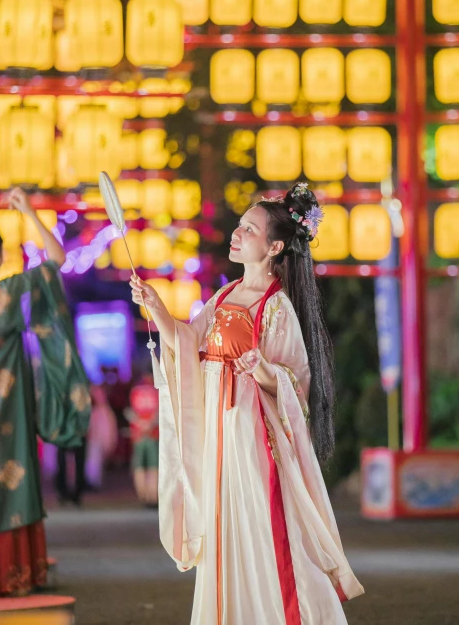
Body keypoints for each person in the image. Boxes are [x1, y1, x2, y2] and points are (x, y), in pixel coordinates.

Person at [130, 182, 364, 624]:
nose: (236, 235)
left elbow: (298, 379)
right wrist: (157, 309)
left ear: (274, 246)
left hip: (251, 436)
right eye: (239, 227)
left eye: (248, 230)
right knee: (225, 530)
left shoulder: (276, 308)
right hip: (219, 434)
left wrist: (263, 370)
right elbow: (188, 342)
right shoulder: (222, 297)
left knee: (262, 526)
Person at [0, 188, 91, 597]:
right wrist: (29, 210)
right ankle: (7, 573)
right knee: (6, 483)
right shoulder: (4, 295)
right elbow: (57, 260)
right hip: (3, 418)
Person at [125, 373, 159, 507]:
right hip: (153, 433)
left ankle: (143, 495)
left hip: (138, 433)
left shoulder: (135, 390)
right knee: (153, 465)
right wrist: (150, 424)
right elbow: (160, 410)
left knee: (139, 466)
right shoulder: (156, 390)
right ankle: (152, 496)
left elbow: (127, 410)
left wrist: (139, 423)